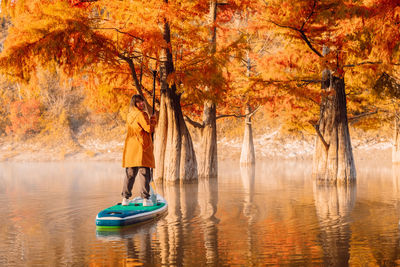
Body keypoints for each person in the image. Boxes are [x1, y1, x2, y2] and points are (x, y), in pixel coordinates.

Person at [121, 94, 157, 206]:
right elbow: (149, 129)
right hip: (142, 148)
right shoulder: (142, 114)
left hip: (131, 148)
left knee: (130, 174)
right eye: (139, 102)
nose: (142, 103)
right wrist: (153, 120)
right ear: (135, 104)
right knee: (144, 173)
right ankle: (146, 199)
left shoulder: (129, 115)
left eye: (142, 101)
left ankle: (125, 199)